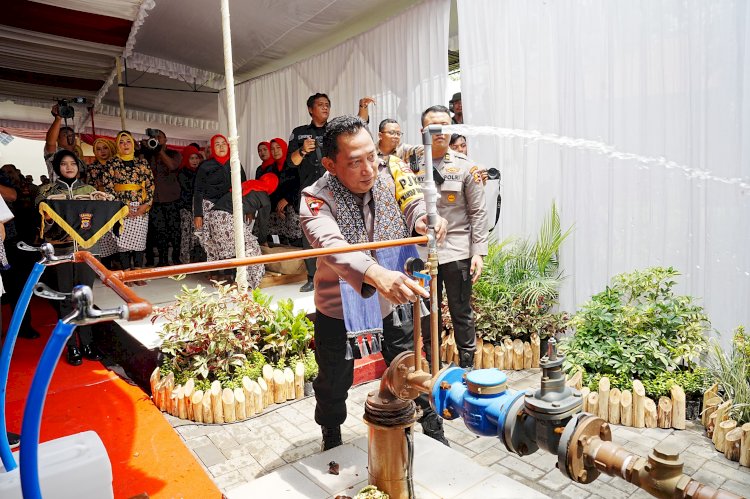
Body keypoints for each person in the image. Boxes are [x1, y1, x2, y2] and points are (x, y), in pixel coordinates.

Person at [299, 116, 449, 450]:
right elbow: (332, 247)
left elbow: (414, 203)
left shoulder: (390, 170)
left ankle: (433, 429)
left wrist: (425, 221)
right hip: (340, 308)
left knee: (412, 365)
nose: (369, 168)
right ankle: (332, 438)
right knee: (334, 381)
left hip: (392, 299)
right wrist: (376, 274)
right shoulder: (314, 198)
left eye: (371, 156)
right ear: (330, 164)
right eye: (355, 162)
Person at [398, 105, 489, 369]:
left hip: (457, 251)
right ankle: (433, 366)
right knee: (427, 315)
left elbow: (478, 213)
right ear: (422, 131)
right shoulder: (408, 163)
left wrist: (478, 253)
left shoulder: (466, 167)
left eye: (445, 126)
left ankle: (467, 367)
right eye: (433, 127)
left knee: (461, 312)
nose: (440, 132)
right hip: (421, 255)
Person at [287, 93, 375, 292]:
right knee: (310, 236)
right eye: (320, 105)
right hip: (313, 192)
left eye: (327, 105)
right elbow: (290, 163)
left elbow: (357, 129)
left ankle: (349, 273)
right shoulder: (299, 133)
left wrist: (362, 107)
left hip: (338, 189)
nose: (325, 108)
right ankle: (312, 276)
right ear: (310, 109)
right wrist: (301, 150)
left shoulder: (334, 130)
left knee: (340, 233)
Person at [35, 150, 102, 366]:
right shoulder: (47, 190)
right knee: (65, 298)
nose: (69, 167)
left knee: (86, 297)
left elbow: (99, 219)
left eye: (73, 163)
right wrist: (48, 211)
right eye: (63, 164)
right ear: (57, 168)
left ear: (79, 166)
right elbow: (43, 219)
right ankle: (71, 346)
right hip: (62, 251)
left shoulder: (90, 190)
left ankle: (89, 343)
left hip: (86, 251)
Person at [193, 134, 264, 286]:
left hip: (230, 207)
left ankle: (232, 274)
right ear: (212, 148)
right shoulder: (205, 166)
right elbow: (198, 191)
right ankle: (218, 273)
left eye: (223, 143)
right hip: (209, 206)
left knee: (233, 240)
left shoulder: (234, 163)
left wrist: (249, 210)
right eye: (217, 144)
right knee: (214, 242)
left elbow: (245, 186)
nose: (221, 147)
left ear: (228, 145)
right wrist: (198, 214)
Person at [103, 131, 155, 280]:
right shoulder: (112, 163)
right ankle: (126, 275)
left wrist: (146, 205)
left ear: (133, 144)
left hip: (140, 207)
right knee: (123, 242)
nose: (125, 145)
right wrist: (120, 207)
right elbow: (108, 187)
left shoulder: (142, 163)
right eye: (121, 142)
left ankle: (137, 274)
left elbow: (150, 185)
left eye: (128, 141)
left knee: (139, 241)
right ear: (117, 145)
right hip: (120, 208)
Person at [142, 129, 182, 266]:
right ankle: (163, 260)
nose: (157, 139)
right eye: (154, 137)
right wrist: (145, 149)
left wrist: (159, 150)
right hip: (154, 200)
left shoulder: (174, 154)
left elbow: (172, 165)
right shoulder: (148, 154)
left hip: (172, 199)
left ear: (165, 140)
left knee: (174, 230)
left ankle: (176, 258)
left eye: (160, 137)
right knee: (159, 231)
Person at [88, 138, 119, 265]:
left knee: (118, 233)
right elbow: (90, 187)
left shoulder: (118, 164)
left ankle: (120, 264)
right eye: (98, 149)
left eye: (105, 148)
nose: (102, 152)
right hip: (101, 205)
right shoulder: (92, 167)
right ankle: (106, 266)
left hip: (117, 203)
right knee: (104, 235)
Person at [266, 138, 302, 246]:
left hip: (294, 206)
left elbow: (300, 185)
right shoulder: (271, 169)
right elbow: (272, 191)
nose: (275, 151)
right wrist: (278, 207)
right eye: (272, 149)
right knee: (282, 244)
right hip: (279, 210)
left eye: (278, 147)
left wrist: (287, 200)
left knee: (296, 243)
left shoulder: (294, 164)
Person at [177, 145, 205, 264]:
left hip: (198, 209)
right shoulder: (183, 172)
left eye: (196, 158)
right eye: (191, 158)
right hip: (187, 209)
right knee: (186, 236)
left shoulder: (202, 171)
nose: (194, 161)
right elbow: (190, 190)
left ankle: (198, 262)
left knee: (198, 236)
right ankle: (186, 262)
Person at [44, 104, 87, 180]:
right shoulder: (56, 154)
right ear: (58, 139)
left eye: (72, 135)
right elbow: (50, 142)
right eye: (65, 135)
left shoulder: (80, 161)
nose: (70, 137)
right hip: (61, 191)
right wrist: (58, 118)